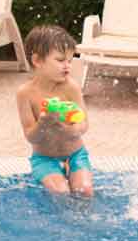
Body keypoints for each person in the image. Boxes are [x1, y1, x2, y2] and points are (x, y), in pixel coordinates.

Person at [16, 25, 94, 197]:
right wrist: (43, 123)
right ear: (37, 61)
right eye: (60, 60)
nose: (67, 66)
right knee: (60, 192)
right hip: (44, 158)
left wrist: (68, 130)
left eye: (69, 60)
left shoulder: (70, 87)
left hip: (75, 154)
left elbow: (84, 124)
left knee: (85, 191)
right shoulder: (25, 94)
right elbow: (31, 136)